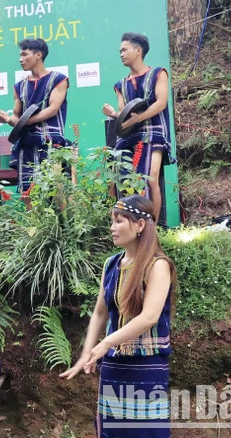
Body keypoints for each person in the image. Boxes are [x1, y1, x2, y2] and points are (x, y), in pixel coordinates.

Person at [60, 195, 176, 437]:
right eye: (112, 221)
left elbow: (149, 317)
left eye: (119, 221)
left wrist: (107, 342)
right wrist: (85, 355)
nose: (112, 228)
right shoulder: (111, 264)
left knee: (145, 432)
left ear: (140, 225)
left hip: (147, 365)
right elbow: (100, 312)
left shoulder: (158, 265)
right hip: (114, 365)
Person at [102, 33, 176, 225]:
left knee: (150, 179)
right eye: (120, 51)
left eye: (124, 50)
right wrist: (113, 115)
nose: (121, 54)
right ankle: (133, 227)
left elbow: (160, 103)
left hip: (153, 134)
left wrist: (137, 119)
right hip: (128, 137)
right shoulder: (121, 84)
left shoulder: (159, 73)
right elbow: (123, 113)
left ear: (138, 50)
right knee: (124, 182)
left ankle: (153, 227)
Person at [0, 38, 70, 207]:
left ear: (38, 55)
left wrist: (26, 122)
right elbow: (16, 116)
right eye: (20, 55)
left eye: (24, 54)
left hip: (51, 143)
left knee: (57, 190)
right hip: (26, 146)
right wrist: (9, 120)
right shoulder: (19, 86)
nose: (20, 59)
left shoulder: (58, 79)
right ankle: (38, 233)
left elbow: (52, 109)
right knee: (28, 193)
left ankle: (63, 232)